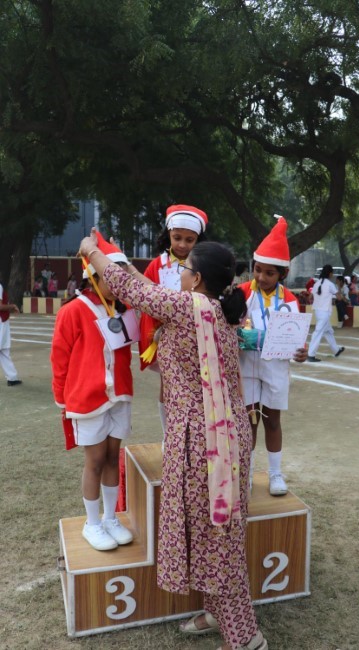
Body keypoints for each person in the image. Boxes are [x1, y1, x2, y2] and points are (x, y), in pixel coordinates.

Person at [78, 230, 268, 650]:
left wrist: (92, 252)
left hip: (205, 442)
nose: (179, 273)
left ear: (196, 279)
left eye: (184, 268)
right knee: (211, 531)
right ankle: (217, 612)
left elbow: (131, 289)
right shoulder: (210, 308)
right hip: (216, 434)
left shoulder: (189, 307)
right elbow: (145, 288)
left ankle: (246, 638)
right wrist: (117, 256)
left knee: (217, 540)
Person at [51, 233, 134, 552]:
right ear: (93, 275)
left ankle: (110, 518)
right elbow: (59, 358)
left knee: (113, 456)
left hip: (119, 395)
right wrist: (62, 398)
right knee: (95, 460)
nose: (119, 283)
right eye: (112, 276)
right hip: (87, 398)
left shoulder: (123, 309)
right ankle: (92, 523)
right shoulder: (73, 310)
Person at [238, 217, 307, 497]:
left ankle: (275, 473)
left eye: (269, 273)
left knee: (272, 420)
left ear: (282, 274)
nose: (261, 277)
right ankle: (247, 473)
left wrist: (301, 352)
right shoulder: (242, 293)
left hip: (275, 367)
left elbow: (296, 338)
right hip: (246, 366)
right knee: (248, 421)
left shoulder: (290, 299)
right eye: (258, 270)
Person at [139, 204, 208, 443]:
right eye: (177, 238)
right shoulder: (156, 266)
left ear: (198, 239)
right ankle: (168, 437)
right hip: (165, 336)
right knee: (167, 384)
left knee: (196, 386)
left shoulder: (203, 265)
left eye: (190, 240)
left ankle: (193, 438)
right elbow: (146, 298)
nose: (182, 245)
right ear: (168, 234)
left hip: (196, 337)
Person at [307, 264, 345, 362]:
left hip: (317, 311)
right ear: (330, 273)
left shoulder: (316, 283)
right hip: (325, 312)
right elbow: (339, 298)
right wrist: (339, 287)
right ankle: (311, 354)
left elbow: (310, 297)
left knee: (328, 331)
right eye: (332, 273)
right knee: (318, 332)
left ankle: (336, 350)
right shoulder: (330, 284)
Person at [0, 280, 22, 386]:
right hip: (1, 321)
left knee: (4, 349)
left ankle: (12, 377)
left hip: (2, 320)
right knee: (3, 348)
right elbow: (0, 306)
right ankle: (12, 377)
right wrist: (12, 306)